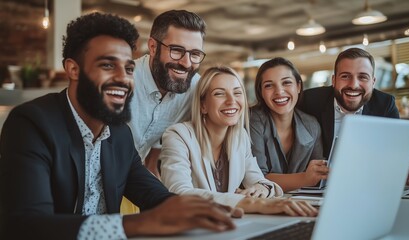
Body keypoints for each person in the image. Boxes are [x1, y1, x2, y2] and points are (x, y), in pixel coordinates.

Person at [0, 13, 238, 239]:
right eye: (107, 65)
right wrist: (141, 223)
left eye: (129, 69)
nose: (123, 78)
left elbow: (153, 194)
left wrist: (204, 209)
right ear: (73, 69)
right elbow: (27, 226)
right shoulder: (31, 124)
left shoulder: (119, 134)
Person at [160, 65, 318, 216]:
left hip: (228, 225)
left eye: (237, 93)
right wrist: (252, 204)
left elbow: (259, 180)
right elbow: (179, 193)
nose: (231, 101)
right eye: (219, 93)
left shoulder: (240, 137)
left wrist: (260, 189)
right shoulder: (177, 136)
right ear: (203, 106)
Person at [297, 47, 409, 184]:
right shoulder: (310, 101)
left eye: (362, 77)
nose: (353, 85)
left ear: (373, 82)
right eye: (345, 76)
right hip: (319, 188)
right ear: (334, 80)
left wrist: (404, 171)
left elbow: (398, 154)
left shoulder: (384, 105)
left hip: (369, 183)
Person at [129, 10, 206, 178]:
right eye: (176, 50)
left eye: (195, 54)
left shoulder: (195, 87)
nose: (186, 64)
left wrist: (151, 166)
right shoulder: (126, 79)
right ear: (153, 47)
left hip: (134, 179)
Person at [250, 57, 329, 191]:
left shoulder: (311, 125)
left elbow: (318, 177)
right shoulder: (252, 120)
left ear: (298, 86)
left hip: (300, 203)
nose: (279, 91)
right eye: (269, 85)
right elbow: (257, 179)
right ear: (261, 93)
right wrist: (305, 178)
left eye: (286, 82)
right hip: (260, 203)